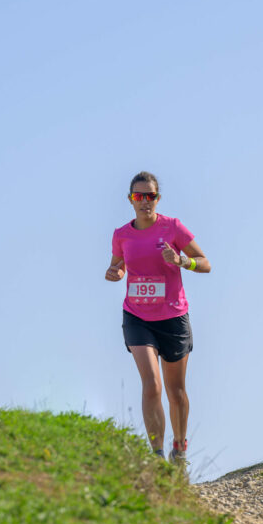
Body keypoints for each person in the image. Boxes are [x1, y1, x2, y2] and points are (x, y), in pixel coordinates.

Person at [105, 171, 211, 464]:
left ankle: (179, 448)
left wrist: (181, 260)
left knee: (176, 392)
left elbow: (205, 263)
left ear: (157, 199)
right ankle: (157, 457)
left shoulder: (172, 227)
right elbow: (118, 266)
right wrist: (116, 273)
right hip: (137, 316)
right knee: (152, 385)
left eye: (150, 196)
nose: (145, 201)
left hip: (173, 318)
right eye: (138, 196)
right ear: (130, 200)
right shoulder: (121, 235)